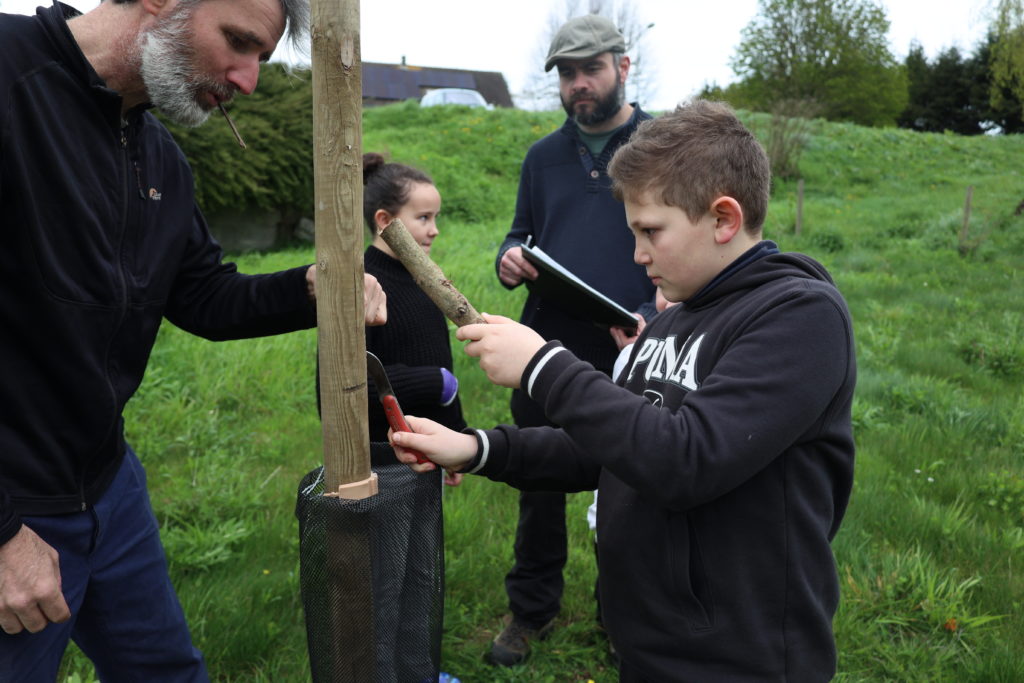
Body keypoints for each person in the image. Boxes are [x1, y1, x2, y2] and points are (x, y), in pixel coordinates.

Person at [390, 99, 857, 682]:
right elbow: (609, 446)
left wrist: (542, 365)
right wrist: (479, 447)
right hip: (651, 640)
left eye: (650, 232)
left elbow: (685, 457)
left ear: (724, 219)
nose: (637, 255)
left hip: (740, 656)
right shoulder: (672, 319)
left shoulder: (798, 316)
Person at [0, 0, 387, 679]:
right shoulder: (9, 74)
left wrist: (313, 286)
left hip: (108, 487)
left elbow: (204, 296)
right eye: (238, 43)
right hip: (16, 509)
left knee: (169, 672)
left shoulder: (155, 155)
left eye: (262, 59)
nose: (248, 81)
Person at [490, 13, 657, 666]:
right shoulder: (543, 157)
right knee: (539, 479)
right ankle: (531, 606)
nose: (579, 84)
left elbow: (687, 240)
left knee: (631, 489)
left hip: (634, 349)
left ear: (623, 65)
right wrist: (509, 257)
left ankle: (626, 615)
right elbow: (519, 230)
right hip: (546, 345)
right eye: (567, 73)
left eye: (591, 68)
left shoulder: (662, 147)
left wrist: (653, 313)